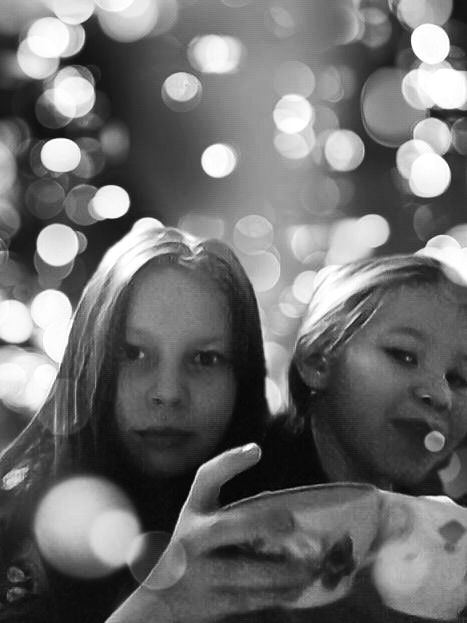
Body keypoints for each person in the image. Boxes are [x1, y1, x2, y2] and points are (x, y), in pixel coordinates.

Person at [0, 222, 310, 623]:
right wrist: (162, 603)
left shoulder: (295, 533)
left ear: (243, 379)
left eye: (205, 359)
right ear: (87, 362)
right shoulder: (8, 533)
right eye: (133, 353)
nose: (168, 392)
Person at [255, 251, 467, 622]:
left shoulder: (448, 532)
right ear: (318, 360)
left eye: (460, 378)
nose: (440, 394)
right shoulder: (238, 514)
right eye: (403, 355)